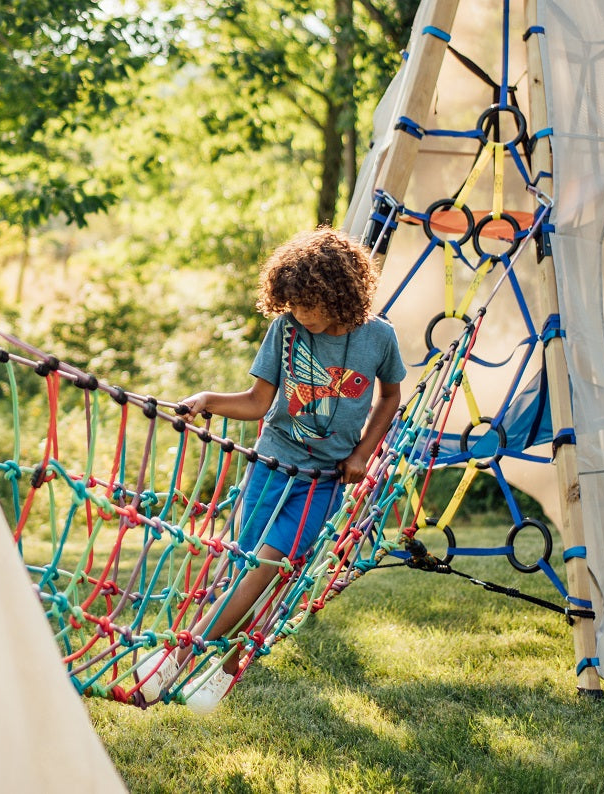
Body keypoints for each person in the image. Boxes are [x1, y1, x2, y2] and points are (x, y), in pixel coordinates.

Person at [134, 228, 406, 711]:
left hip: (321, 483)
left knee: (270, 570)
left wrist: (363, 452)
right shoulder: (286, 330)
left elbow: (390, 397)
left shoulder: (379, 338)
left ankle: (183, 656)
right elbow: (259, 401)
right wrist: (208, 401)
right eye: (292, 303)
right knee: (242, 568)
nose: (299, 313)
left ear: (339, 294)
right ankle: (223, 666)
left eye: (309, 304)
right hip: (271, 467)